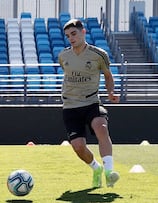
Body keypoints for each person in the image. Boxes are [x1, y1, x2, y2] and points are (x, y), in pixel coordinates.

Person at [58, 19, 120, 188]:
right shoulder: (63, 56)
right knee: (78, 147)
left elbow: (108, 76)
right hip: (70, 106)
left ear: (83, 32)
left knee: (101, 127)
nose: (71, 38)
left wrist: (111, 92)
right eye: (68, 36)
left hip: (92, 102)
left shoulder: (99, 54)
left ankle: (109, 172)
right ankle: (96, 168)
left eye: (74, 34)